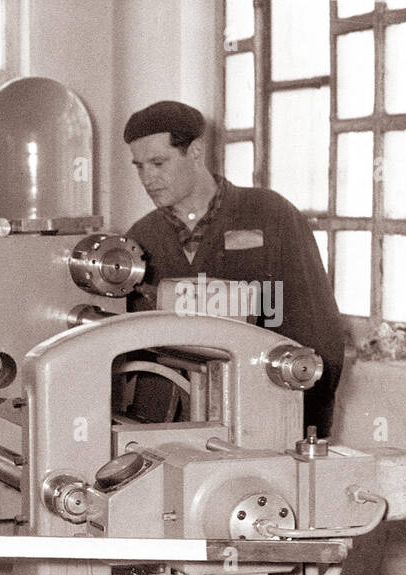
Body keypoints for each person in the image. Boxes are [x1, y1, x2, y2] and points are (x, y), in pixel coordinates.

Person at [123, 100, 346, 436]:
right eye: (139, 166)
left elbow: (316, 331)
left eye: (158, 162)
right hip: (166, 426)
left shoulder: (270, 216)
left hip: (258, 416)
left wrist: (307, 430)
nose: (147, 178)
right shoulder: (141, 239)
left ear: (195, 151)